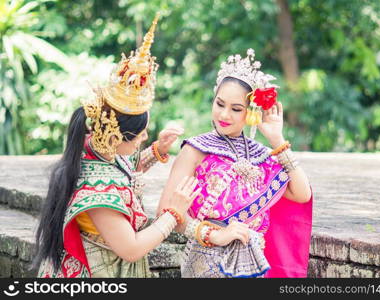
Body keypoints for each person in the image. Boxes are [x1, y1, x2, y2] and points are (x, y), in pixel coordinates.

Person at [33, 14, 200, 278]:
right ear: (115, 137)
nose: (144, 138)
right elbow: (131, 249)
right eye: (140, 136)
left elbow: (126, 166)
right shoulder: (97, 196)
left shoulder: (94, 147)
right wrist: (174, 213)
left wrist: (157, 150)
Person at [157, 49, 313, 278]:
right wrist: (214, 235)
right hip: (206, 260)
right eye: (220, 104)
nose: (225, 114)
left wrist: (277, 140)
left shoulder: (263, 156)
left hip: (254, 263)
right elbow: (165, 212)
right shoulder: (196, 150)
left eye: (236, 109)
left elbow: (302, 194)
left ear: (251, 112)